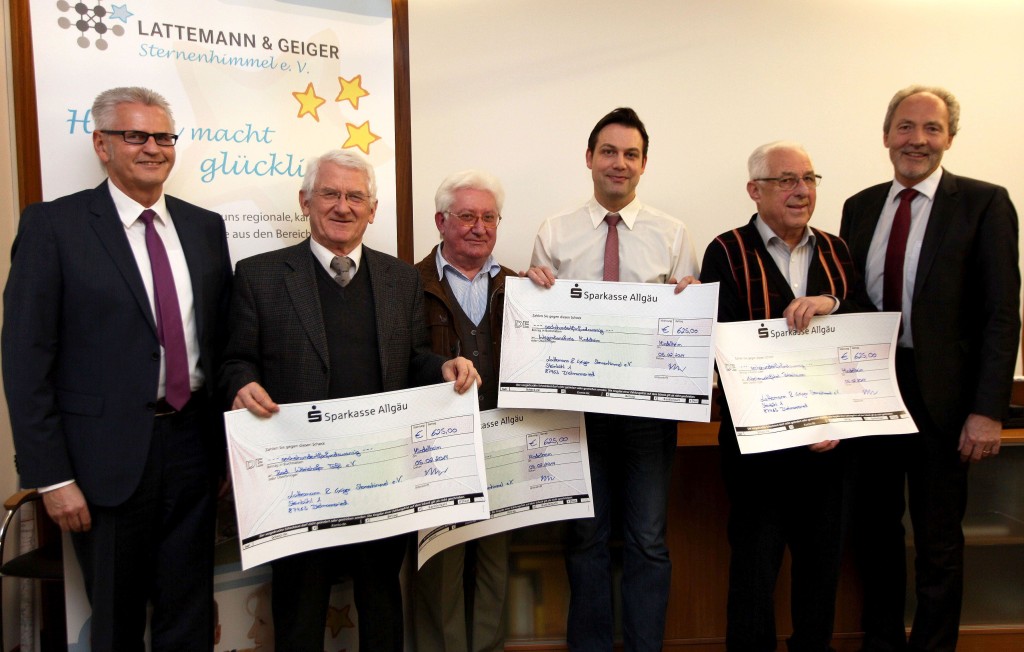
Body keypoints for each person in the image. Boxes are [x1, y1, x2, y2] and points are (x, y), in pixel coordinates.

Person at [220, 149, 480, 652]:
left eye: (355, 196)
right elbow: (235, 359)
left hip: (382, 474)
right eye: (331, 194)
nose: (343, 206)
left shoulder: (399, 278)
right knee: (300, 605)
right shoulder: (260, 276)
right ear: (305, 202)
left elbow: (414, 359)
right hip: (298, 480)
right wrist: (240, 383)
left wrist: (443, 367)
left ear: (373, 209)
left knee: (382, 601)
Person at [2, 86, 233, 650]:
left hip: (194, 449)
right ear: (102, 145)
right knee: (115, 619)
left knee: (189, 611)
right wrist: (51, 476)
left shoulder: (204, 227)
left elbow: (222, 341)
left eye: (163, 136)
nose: (153, 148)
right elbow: (25, 359)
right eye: (135, 135)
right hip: (102, 460)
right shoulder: (54, 227)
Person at [840, 85, 1020, 652]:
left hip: (945, 400)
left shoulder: (985, 203)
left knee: (939, 541)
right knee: (875, 536)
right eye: (906, 126)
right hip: (872, 390)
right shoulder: (859, 205)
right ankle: (883, 643)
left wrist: (988, 412)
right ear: (887, 133)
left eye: (932, 128)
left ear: (949, 138)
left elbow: (1001, 315)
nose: (917, 139)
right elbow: (848, 300)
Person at [527, 107, 698, 652]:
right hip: (578, 416)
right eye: (608, 152)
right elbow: (539, 329)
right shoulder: (554, 232)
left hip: (649, 417)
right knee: (586, 538)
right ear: (589, 159)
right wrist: (535, 290)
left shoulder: (673, 235)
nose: (618, 163)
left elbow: (682, 331)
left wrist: (689, 305)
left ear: (644, 164)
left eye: (630, 154)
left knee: (648, 541)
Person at [701, 142, 868, 652]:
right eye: (787, 180)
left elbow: (862, 334)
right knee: (754, 570)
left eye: (809, 178)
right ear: (755, 191)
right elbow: (723, 349)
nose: (802, 190)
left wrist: (833, 301)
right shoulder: (724, 251)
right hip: (758, 452)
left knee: (820, 571)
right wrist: (795, 421)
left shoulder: (838, 251)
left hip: (831, 448)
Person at [413, 170, 515, 652]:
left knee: (496, 563)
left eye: (489, 217)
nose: (479, 227)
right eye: (467, 216)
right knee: (440, 565)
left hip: (504, 439)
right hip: (436, 446)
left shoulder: (520, 285)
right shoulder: (407, 283)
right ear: (440, 221)